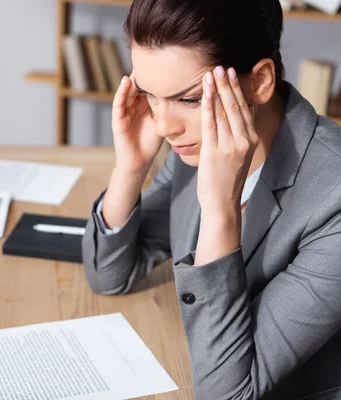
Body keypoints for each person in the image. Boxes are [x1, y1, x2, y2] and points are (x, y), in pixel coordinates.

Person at [81, 0, 341, 398]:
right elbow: (109, 274)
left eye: (188, 99)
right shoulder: (192, 146)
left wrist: (220, 211)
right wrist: (130, 170)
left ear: (260, 81)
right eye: (150, 95)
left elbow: (227, 393)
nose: (165, 126)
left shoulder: (333, 200)